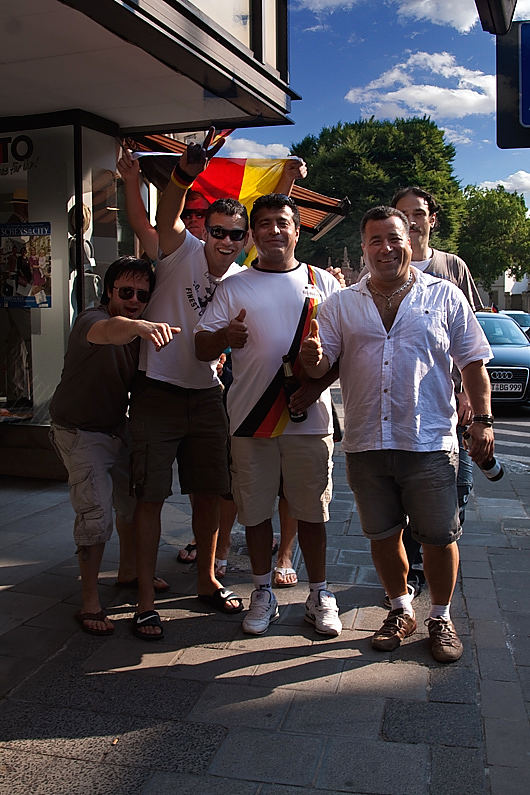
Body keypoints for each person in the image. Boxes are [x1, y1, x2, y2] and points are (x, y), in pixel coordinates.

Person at [300, 206, 494, 662]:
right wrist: (311, 357)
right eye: (375, 240)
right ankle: (400, 609)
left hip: (429, 442)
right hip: (367, 442)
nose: (385, 248)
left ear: (410, 241)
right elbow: (322, 366)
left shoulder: (444, 296)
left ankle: (441, 617)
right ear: (364, 248)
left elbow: (473, 363)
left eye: (394, 239)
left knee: (439, 538)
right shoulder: (341, 304)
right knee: (383, 535)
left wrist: (483, 420)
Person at [118, 144, 307, 585]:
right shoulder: (179, 250)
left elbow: (272, 223)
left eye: (236, 235)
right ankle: (144, 590)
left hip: (207, 394)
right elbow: (163, 215)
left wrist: (287, 181)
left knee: (211, 490)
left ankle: (208, 578)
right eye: (218, 231)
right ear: (204, 230)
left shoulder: (240, 276)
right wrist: (182, 176)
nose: (226, 241)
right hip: (158, 387)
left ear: (245, 240)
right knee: (150, 494)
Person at [195, 193, 343, 637]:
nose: (274, 231)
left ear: (297, 230)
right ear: (252, 235)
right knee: (255, 512)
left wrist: (317, 384)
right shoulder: (232, 287)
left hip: (309, 420)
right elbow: (201, 346)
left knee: (313, 512)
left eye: (282, 222)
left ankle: (319, 594)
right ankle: (262, 591)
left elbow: (348, 349)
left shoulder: (324, 283)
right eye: (263, 224)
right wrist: (225, 335)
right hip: (249, 421)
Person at [49, 256, 179, 636]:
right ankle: (89, 600)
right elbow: (111, 330)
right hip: (78, 431)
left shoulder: (141, 337)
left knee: (135, 503)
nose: (134, 300)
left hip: (115, 429)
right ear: (109, 291)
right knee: (95, 515)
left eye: (142, 294)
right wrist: (138, 326)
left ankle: (129, 571)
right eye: (126, 292)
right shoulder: (91, 320)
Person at [390, 186, 483, 601]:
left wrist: (469, 396)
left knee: (455, 485)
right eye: (403, 213)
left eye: (419, 213)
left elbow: (471, 339)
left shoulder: (452, 267)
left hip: (449, 403)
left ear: (432, 219)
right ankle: (410, 569)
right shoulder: (383, 265)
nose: (412, 221)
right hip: (402, 404)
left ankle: (437, 555)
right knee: (401, 490)